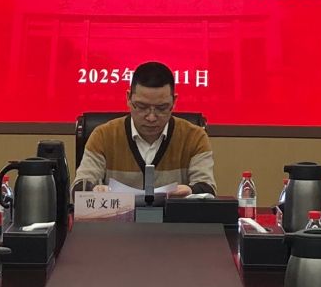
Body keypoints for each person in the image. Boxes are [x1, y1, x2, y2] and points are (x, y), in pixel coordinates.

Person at [73, 61, 215, 197]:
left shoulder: (194, 137)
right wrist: (95, 191)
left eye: (161, 108)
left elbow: (208, 189)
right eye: (142, 107)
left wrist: (190, 191)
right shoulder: (103, 136)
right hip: (118, 214)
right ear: (128, 98)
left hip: (173, 215)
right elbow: (79, 188)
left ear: (174, 102)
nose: (151, 117)